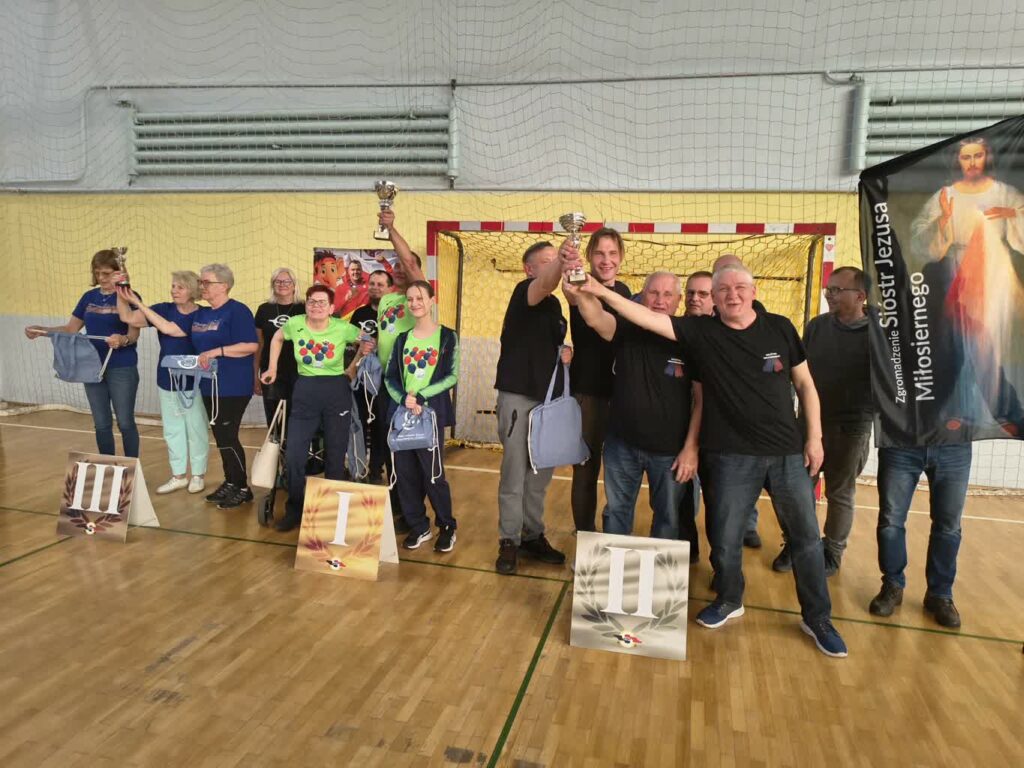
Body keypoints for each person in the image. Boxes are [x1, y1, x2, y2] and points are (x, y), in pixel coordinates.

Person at [579, 265, 848, 658]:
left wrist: (815, 438)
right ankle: (729, 599)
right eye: (723, 290)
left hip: (786, 453)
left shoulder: (780, 327)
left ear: (754, 290)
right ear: (714, 299)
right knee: (724, 539)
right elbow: (643, 317)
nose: (731, 295)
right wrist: (598, 290)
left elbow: (805, 384)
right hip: (731, 456)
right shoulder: (702, 332)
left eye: (739, 288)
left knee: (806, 537)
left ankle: (818, 618)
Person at [565, 271, 701, 543]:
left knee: (668, 518)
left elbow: (700, 400)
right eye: (653, 293)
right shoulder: (627, 328)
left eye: (667, 295)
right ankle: (612, 566)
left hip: (670, 451)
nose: (660, 300)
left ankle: (659, 569)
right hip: (622, 446)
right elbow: (596, 318)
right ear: (642, 295)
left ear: (678, 301)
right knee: (616, 512)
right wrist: (581, 293)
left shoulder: (691, 337)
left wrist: (691, 448)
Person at [912, 136, 1024, 432]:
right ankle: (960, 411)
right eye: (966, 157)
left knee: (984, 343)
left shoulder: (1005, 192)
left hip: (993, 272)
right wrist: (943, 220)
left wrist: (1012, 214)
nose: (973, 162)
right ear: (957, 161)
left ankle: (1001, 411)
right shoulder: (945, 194)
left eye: (978, 155)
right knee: (957, 342)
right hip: (956, 273)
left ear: (987, 157)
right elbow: (922, 240)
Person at [124, 264, 259, 509]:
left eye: (206, 282)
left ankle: (242, 488)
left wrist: (217, 351)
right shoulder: (202, 315)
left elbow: (250, 346)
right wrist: (135, 302)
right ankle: (230, 482)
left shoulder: (237, 310)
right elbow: (169, 329)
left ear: (223, 286)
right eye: (201, 282)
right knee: (221, 437)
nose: (202, 286)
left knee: (228, 436)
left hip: (233, 385)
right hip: (208, 385)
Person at [773, 267, 873, 576]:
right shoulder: (816, 326)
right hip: (809, 423)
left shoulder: (879, 333)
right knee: (798, 489)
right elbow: (799, 372)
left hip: (852, 426)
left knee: (839, 492)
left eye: (837, 290)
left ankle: (832, 551)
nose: (829, 294)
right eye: (828, 289)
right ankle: (797, 543)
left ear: (860, 296)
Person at [494, 239, 577, 576]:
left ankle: (532, 535)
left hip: (549, 402)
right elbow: (545, 283)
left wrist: (565, 352)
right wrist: (563, 258)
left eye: (557, 258)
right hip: (519, 397)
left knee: (539, 475)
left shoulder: (555, 305)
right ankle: (509, 540)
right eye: (547, 260)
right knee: (514, 474)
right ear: (529, 269)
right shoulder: (524, 291)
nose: (555, 263)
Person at [261, 285, 371, 532]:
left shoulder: (343, 328)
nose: (316, 306)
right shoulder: (295, 324)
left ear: (331, 308)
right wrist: (272, 368)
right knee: (294, 456)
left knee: (335, 456)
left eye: (322, 302)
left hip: (336, 390)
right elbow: (277, 337)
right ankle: (295, 509)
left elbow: (367, 341)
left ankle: (331, 514)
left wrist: (353, 366)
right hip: (305, 390)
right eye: (311, 301)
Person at [25, 250, 141, 457]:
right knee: (101, 423)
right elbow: (71, 329)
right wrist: (42, 330)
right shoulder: (89, 297)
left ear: (118, 273)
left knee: (125, 422)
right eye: (97, 273)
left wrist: (122, 339)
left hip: (122, 367)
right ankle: (107, 466)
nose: (101, 278)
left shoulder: (130, 297)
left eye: (106, 273)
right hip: (92, 368)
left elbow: (133, 335)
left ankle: (133, 468)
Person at [564, 227, 631, 533]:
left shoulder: (625, 292)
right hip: (588, 393)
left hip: (622, 395)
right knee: (586, 469)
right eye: (600, 253)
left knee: (621, 470)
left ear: (621, 256)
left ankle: (616, 532)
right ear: (589, 255)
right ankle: (584, 534)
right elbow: (571, 293)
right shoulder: (578, 284)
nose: (607, 260)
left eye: (612, 253)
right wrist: (569, 266)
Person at [384, 280, 460, 552]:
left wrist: (421, 397)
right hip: (403, 415)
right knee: (405, 474)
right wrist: (404, 399)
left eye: (419, 298)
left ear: (431, 300)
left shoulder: (448, 336)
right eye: (410, 299)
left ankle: (447, 526)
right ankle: (419, 526)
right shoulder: (402, 339)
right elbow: (390, 377)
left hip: (430, 415)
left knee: (433, 474)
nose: (414, 303)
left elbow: (452, 375)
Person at [117, 270, 208, 494]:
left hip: (195, 380)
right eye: (173, 286)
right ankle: (178, 476)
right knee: (172, 429)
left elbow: (170, 329)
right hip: (166, 379)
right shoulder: (163, 309)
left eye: (180, 287)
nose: (174, 290)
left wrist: (139, 303)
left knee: (196, 428)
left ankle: (198, 475)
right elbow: (127, 317)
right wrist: (121, 292)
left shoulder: (202, 315)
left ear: (192, 290)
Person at [375, 209, 427, 525]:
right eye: (394, 265)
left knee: (410, 450)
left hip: (411, 387)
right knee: (390, 447)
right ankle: (397, 505)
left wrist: (391, 228)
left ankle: (413, 512)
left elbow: (408, 261)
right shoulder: (386, 301)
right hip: (387, 384)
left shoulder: (419, 298)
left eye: (403, 265)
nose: (399, 268)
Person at [678, 269, 714, 562]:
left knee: (718, 500)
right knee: (681, 492)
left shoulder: (726, 331)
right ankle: (687, 549)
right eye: (690, 292)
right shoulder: (673, 328)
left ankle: (723, 566)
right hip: (680, 425)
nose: (695, 298)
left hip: (717, 431)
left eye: (703, 293)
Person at [350, 269, 392, 483]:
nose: (375, 287)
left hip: (384, 380)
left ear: (389, 288)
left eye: (380, 284)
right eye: (372, 283)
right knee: (359, 422)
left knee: (380, 425)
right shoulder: (359, 314)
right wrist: (362, 344)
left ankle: (376, 469)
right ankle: (358, 468)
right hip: (361, 378)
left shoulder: (394, 315)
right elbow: (351, 340)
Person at [253, 268, 304, 425]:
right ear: (272, 285)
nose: (283, 284)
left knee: (296, 415)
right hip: (270, 370)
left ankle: (293, 442)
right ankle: (274, 441)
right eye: (278, 281)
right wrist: (255, 374)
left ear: (294, 285)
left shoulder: (304, 309)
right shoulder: (264, 309)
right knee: (273, 416)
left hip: (299, 371)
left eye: (287, 281)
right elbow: (259, 344)